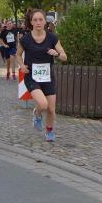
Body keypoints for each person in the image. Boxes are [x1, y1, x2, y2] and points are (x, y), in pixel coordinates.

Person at [17, 9, 68, 143]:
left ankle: (49, 131)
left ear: (45, 21)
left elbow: (64, 57)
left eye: (41, 19)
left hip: (48, 77)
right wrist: (22, 66)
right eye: (35, 20)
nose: (38, 22)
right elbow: (18, 55)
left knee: (51, 109)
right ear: (31, 22)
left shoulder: (52, 38)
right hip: (32, 77)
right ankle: (37, 113)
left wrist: (57, 54)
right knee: (43, 104)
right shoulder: (25, 39)